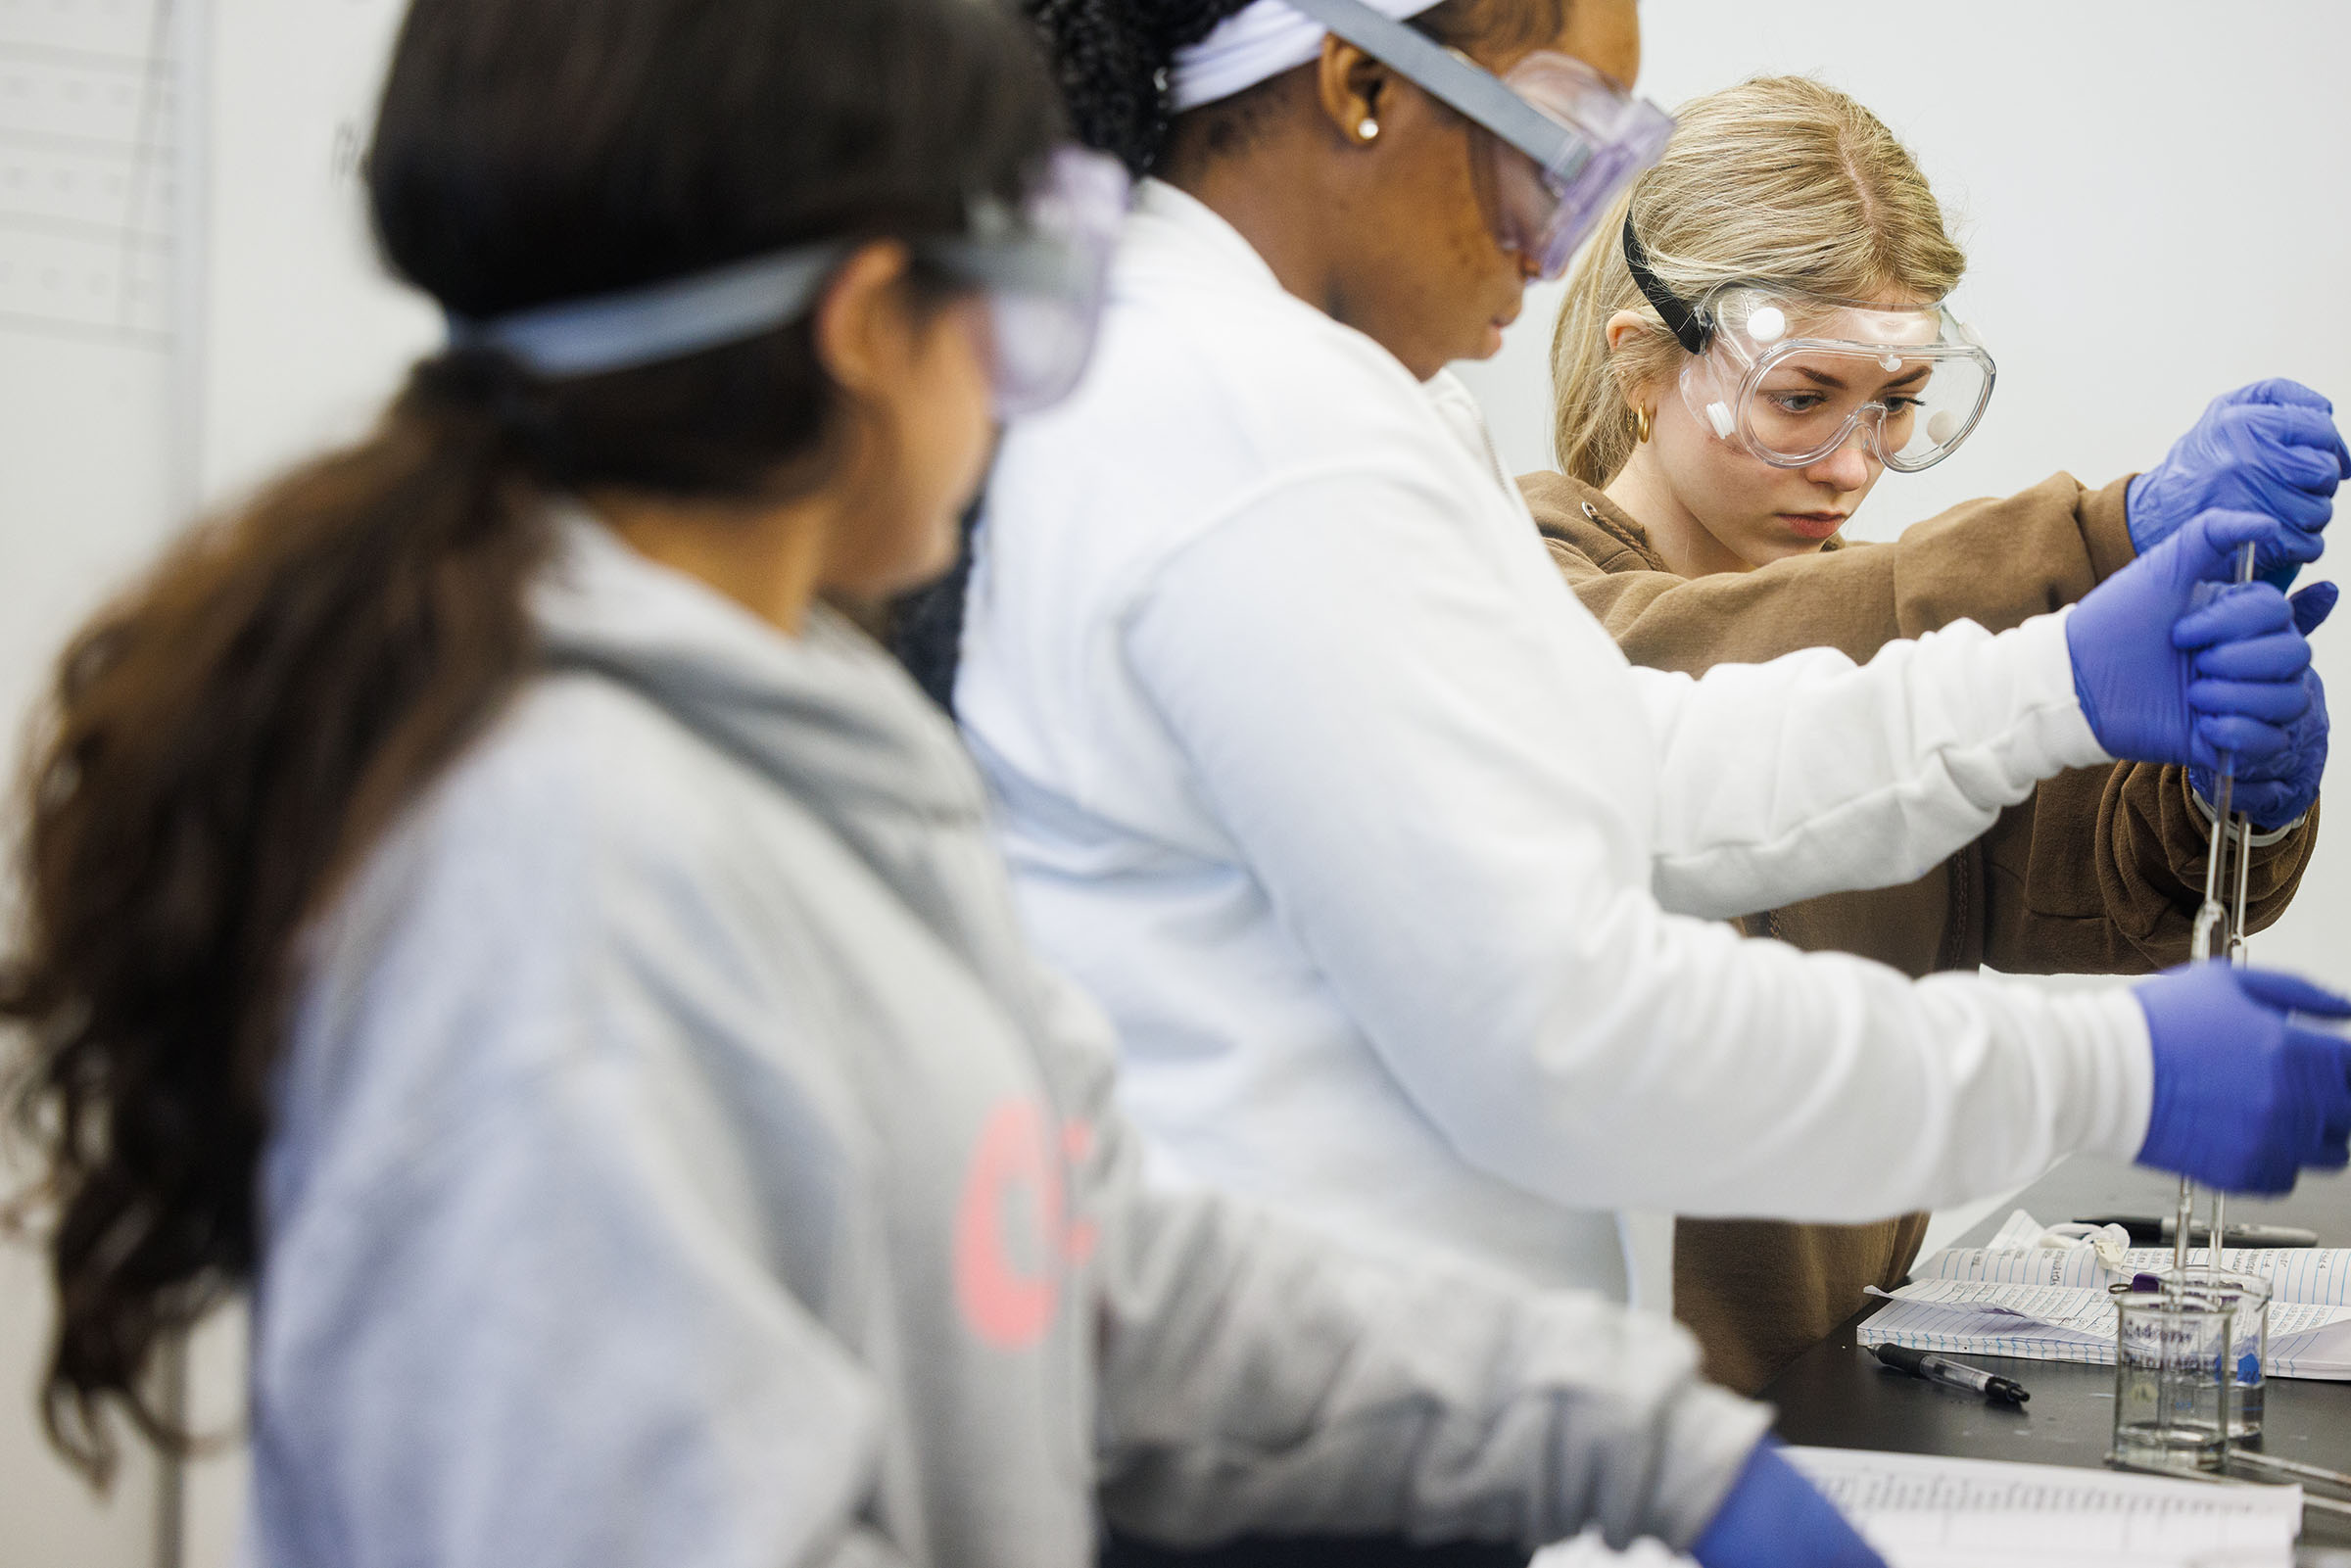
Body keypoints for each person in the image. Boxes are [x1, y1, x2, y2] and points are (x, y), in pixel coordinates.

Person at [0, 2, 1893, 1564]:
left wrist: (1631, 1440)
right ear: (868, 322)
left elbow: (1092, 1265)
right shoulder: (553, 879)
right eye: (1029, 276)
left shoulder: (828, 749)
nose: (1031, 371)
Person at [951, 0, 2350, 1338]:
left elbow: (1645, 757)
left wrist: (2128, 727)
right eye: (1556, 139)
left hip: (1470, 1417)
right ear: (1362, 83)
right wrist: (2107, 1072)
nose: (1564, 237)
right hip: (1333, 1428)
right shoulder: (1264, 442)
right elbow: (1567, 1002)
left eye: (1899, 407)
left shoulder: (1358, 405)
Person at [1526, 74, 2343, 1394]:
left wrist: (2220, 790)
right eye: (1804, 398)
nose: (1854, 464)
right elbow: (1684, 689)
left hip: (1852, 1402)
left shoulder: (1883, 622)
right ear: (1642, 365)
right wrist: (2099, 538)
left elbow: (2089, 878)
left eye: (1898, 401)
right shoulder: (1518, 593)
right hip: (1616, 1459)